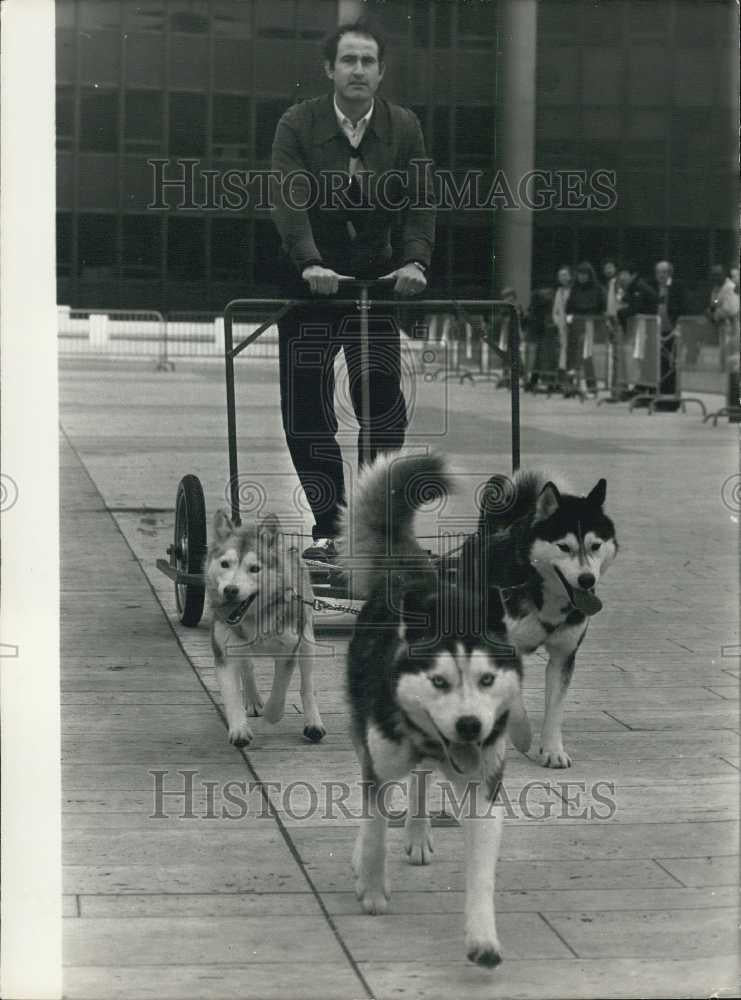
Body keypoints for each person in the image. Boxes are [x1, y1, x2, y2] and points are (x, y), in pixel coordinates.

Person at [270, 19, 435, 561]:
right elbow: (289, 201)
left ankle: (370, 526)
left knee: (383, 405)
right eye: (349, 60)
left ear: (381, 71)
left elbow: (419, 202)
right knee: (306, 406)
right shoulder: (298, 123)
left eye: (368, 61)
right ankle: (328, 525)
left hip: (372, 283)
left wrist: (414, 260)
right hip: (312, 285)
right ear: (330, 69)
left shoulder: (404, 126)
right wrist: (309, 261)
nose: (358, 70)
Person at [616, 261, 658, 396]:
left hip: (647, 328)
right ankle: (641, 387)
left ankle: (647, 388)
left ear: (632, 275)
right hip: (642, 328)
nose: (621, 277)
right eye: (620, 274)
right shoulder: (631, 287)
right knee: (641, 358)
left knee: (644, 357)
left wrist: (621, 314)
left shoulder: (639, 287)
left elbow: (636, 308)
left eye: (624, 274)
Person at [650, 260, 686, 409]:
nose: (661, 275)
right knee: (659, 366)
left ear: (670, 273)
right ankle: (659, 398)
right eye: (658, 272)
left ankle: (672, 401)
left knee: (672, 366)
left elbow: (683, 307)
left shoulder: (677, 287)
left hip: (673, 333)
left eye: (664, 272)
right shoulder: (654, 288)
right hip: (657, 332)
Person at [565, 261, 605, 394]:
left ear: (589, 275)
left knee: (586, 354)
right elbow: (569, 307)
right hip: (575, 325)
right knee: (572, 354)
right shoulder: (574, 289)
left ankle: (591, 384)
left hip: (590, 325)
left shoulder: (598, 289)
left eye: (584, 275)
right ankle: (571, 385)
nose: (581, 277)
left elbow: (601, 307)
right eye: (579, 274)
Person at [708, 264, 740, 373]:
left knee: (732, 359)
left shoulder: (731, 287)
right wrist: (711, 310)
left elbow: (729, 310)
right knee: (723, 359)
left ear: (723, 274)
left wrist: (713, 315)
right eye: (713, 275)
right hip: (721, 328)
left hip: (732, 328)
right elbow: (714, 303)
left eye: (718, 274)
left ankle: (733, 387)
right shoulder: (716, 288)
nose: (715, 277)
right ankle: (726, 386)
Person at [524, 286, 556, 391]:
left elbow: (530, 317)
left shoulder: (535, 305)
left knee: (538, 359)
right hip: (546, 332)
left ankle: (534, 381)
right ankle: (547, 382)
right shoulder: (548, 305)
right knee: (545, 358)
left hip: (541, 332)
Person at [551, 265, 572, 391]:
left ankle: (571, 382)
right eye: (560, 276)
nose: (562, 278)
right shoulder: (559, 291)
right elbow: (555, 310)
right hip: (561, 327)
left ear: (570, 276)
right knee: (562, 354)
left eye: (565, 275)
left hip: (572, 325)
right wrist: (558, 322)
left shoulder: (573, 290)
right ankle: (562, 382)